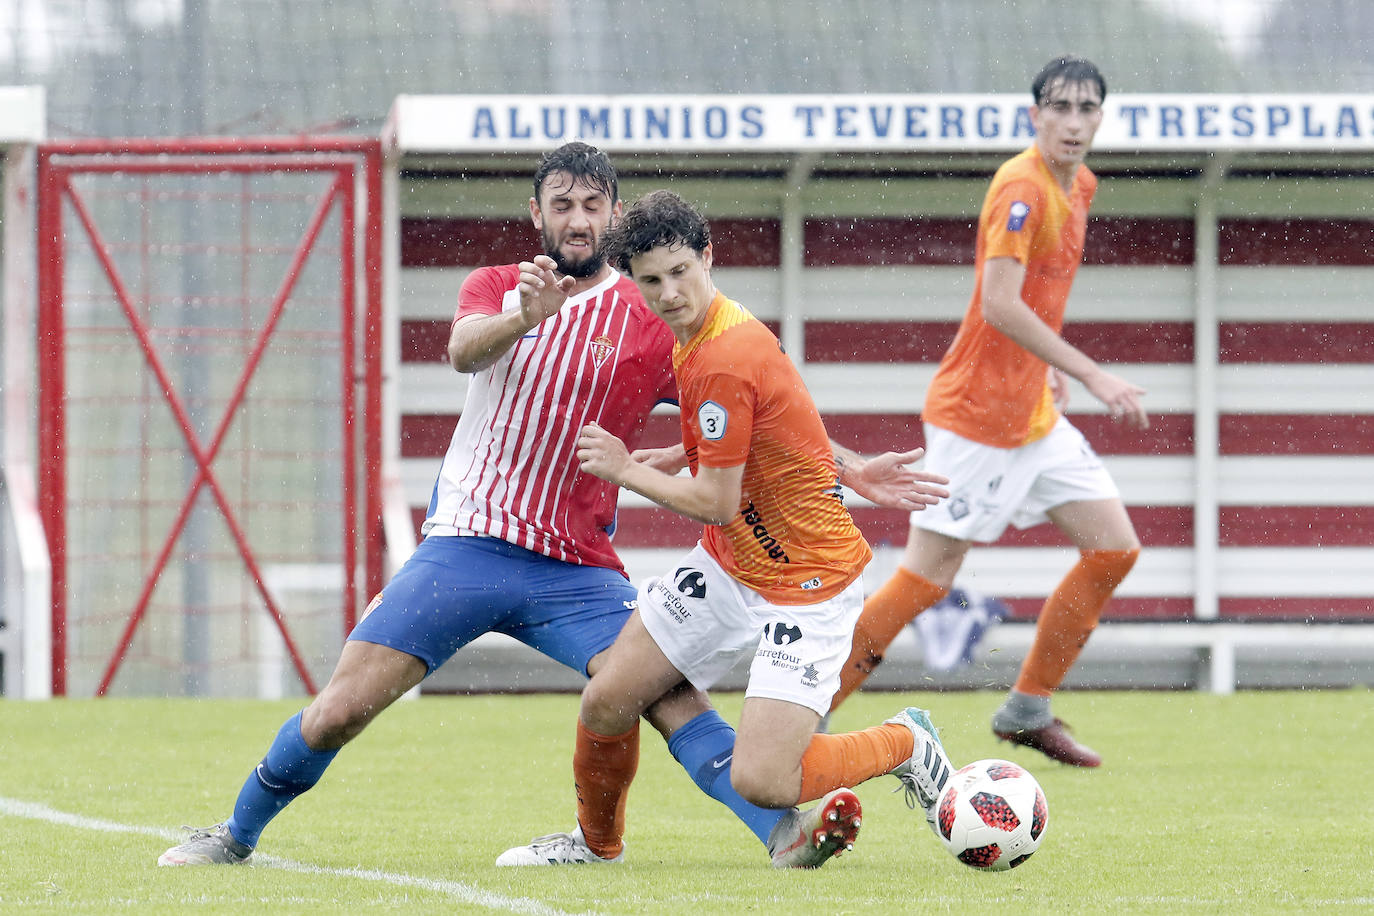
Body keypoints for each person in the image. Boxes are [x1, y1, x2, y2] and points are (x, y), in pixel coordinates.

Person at [158, 142, 947, 870]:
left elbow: (755, 411)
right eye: (562, 204)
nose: (578, 219)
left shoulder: (656, 313)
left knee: (657, 695)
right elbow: (464, 350)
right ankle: (235, 835)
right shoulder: (503, 286)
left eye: (593, 204)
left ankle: (778, 833)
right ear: (537, 213)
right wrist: (523, 319)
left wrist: (849, 467)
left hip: (576, 566)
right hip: (466, 545)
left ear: (614, 215)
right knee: (339, 711)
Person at [497, 189, 956, 869]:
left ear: (709, 256)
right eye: (651, 280)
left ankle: (905, 743)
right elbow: (772, 422)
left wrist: (625, 468)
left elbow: (715, 499)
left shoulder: (726, 353)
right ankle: (596, 846)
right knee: (608, 700)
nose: (669, 293)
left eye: (681, 272)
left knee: (762, 778)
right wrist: (692, 452)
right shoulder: (702, 337)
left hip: (807, 583)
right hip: (731, 562)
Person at [826, 56, 1147, 768]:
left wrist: (1047, 375)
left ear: (1100, 117)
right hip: (975, 420)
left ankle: (1027, 708)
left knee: (1115, 546)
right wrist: (1089, 371)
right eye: (1058, 106)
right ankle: (799, 719)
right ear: (1035, 115)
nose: (1072, 120)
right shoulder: (1021, 188)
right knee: (923, 582)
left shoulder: (1081, 184)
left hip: (1032, 415)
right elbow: (1000, 304)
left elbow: (1035, 306)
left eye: (1086, 107)